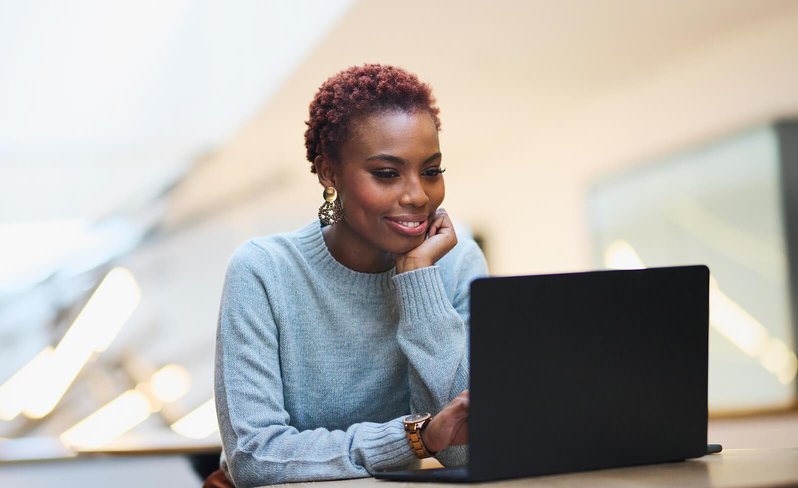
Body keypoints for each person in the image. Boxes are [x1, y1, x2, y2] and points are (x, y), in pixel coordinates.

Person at [208, 64, 488, 488]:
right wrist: (411, 439)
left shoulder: (455, 262)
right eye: (387, 173)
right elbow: (255, 455)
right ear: (328, 173)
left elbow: (464, 448)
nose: (416, 195)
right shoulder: (263, 270)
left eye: (431, 171)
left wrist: (417, 279)